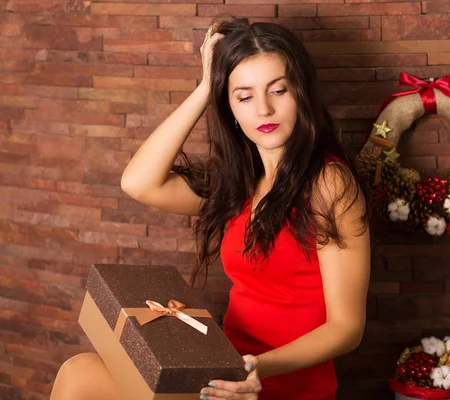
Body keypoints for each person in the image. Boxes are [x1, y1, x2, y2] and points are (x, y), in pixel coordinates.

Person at [50, 16, 371, 400]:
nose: (264, 109)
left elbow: (346, 328)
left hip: (274, 383)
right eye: (244, 96)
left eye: (279, 90)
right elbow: (138, 182)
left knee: (81, 378)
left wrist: (256, 367)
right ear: (230, 109)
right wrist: (206, 87)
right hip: (220, 371)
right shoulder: (238, 182)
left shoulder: (329, 183)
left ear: (301, 92)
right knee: (79, 373)